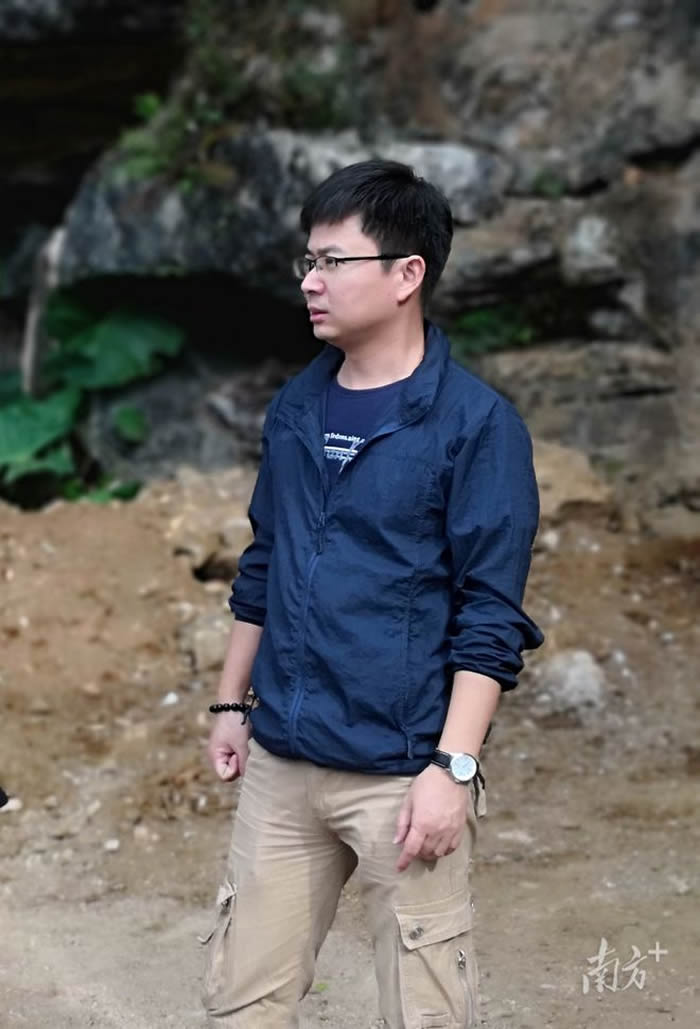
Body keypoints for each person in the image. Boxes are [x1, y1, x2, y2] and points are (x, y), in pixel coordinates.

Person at [201, 159, 544, 1028]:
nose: (310, 282)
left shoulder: (477, 426)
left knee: (423, 1012)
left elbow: (490, 615)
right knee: (242, 1002)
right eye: (307, 262)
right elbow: (265, 561)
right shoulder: (297, 408)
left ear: (406, 274)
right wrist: (231, 702)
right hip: (284, 761)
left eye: (333, 261)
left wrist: (453, 768)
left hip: (403, 773)